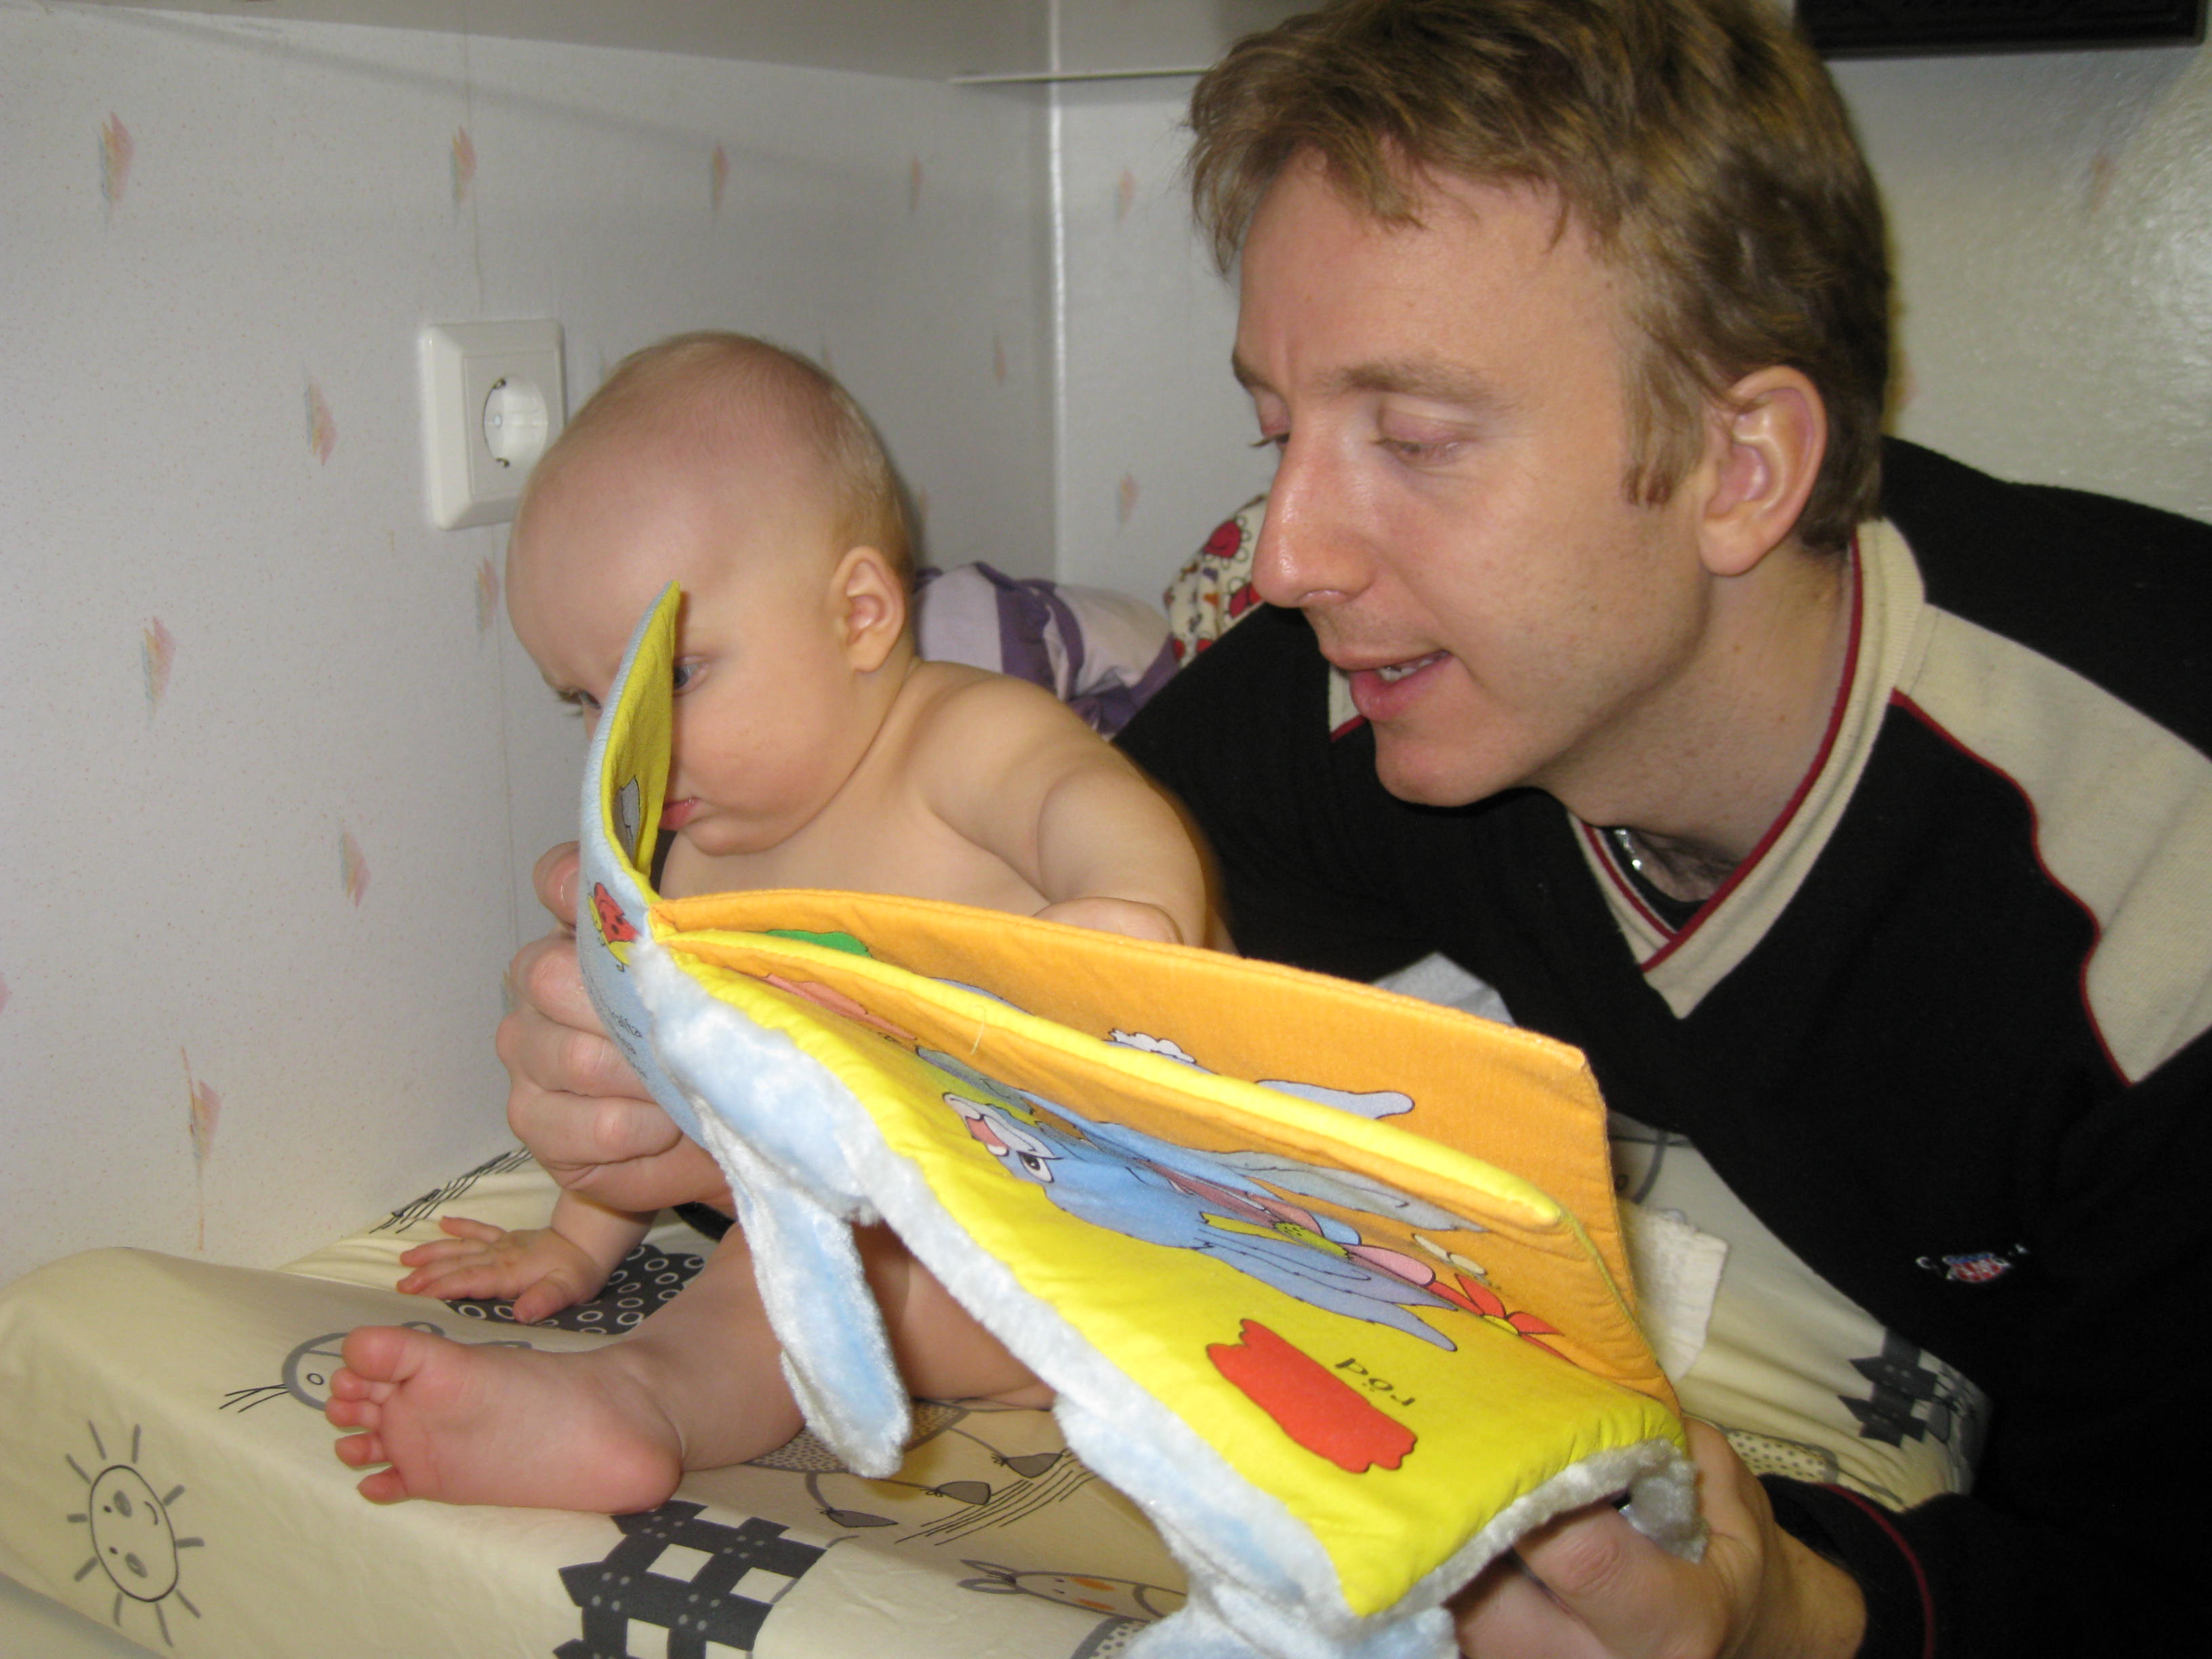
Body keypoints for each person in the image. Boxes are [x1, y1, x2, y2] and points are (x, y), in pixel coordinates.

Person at [491, 4, 2212, 1654]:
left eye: (1416, 438)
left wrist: (1796, 1614)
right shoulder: (1347, 698)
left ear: (1740, 466)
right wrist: (705, 1077)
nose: (1285, 556)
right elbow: (1042, 1015)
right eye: (1278, 432)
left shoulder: (2156, 878)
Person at [324, 332, 1210, 1513]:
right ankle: (637, 1402)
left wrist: (1134, 915)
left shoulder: (958, 738)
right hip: (924, 1279)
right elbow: (659, 1085)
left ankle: (649, 1394)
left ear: (858, 613)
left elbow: (1088, 804)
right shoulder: (693, 864)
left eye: (672, 679)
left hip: (1110, 1224)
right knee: (781, 1269)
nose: (626, 747)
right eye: (588, 702)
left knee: (801, 1269)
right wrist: (577, 1240)